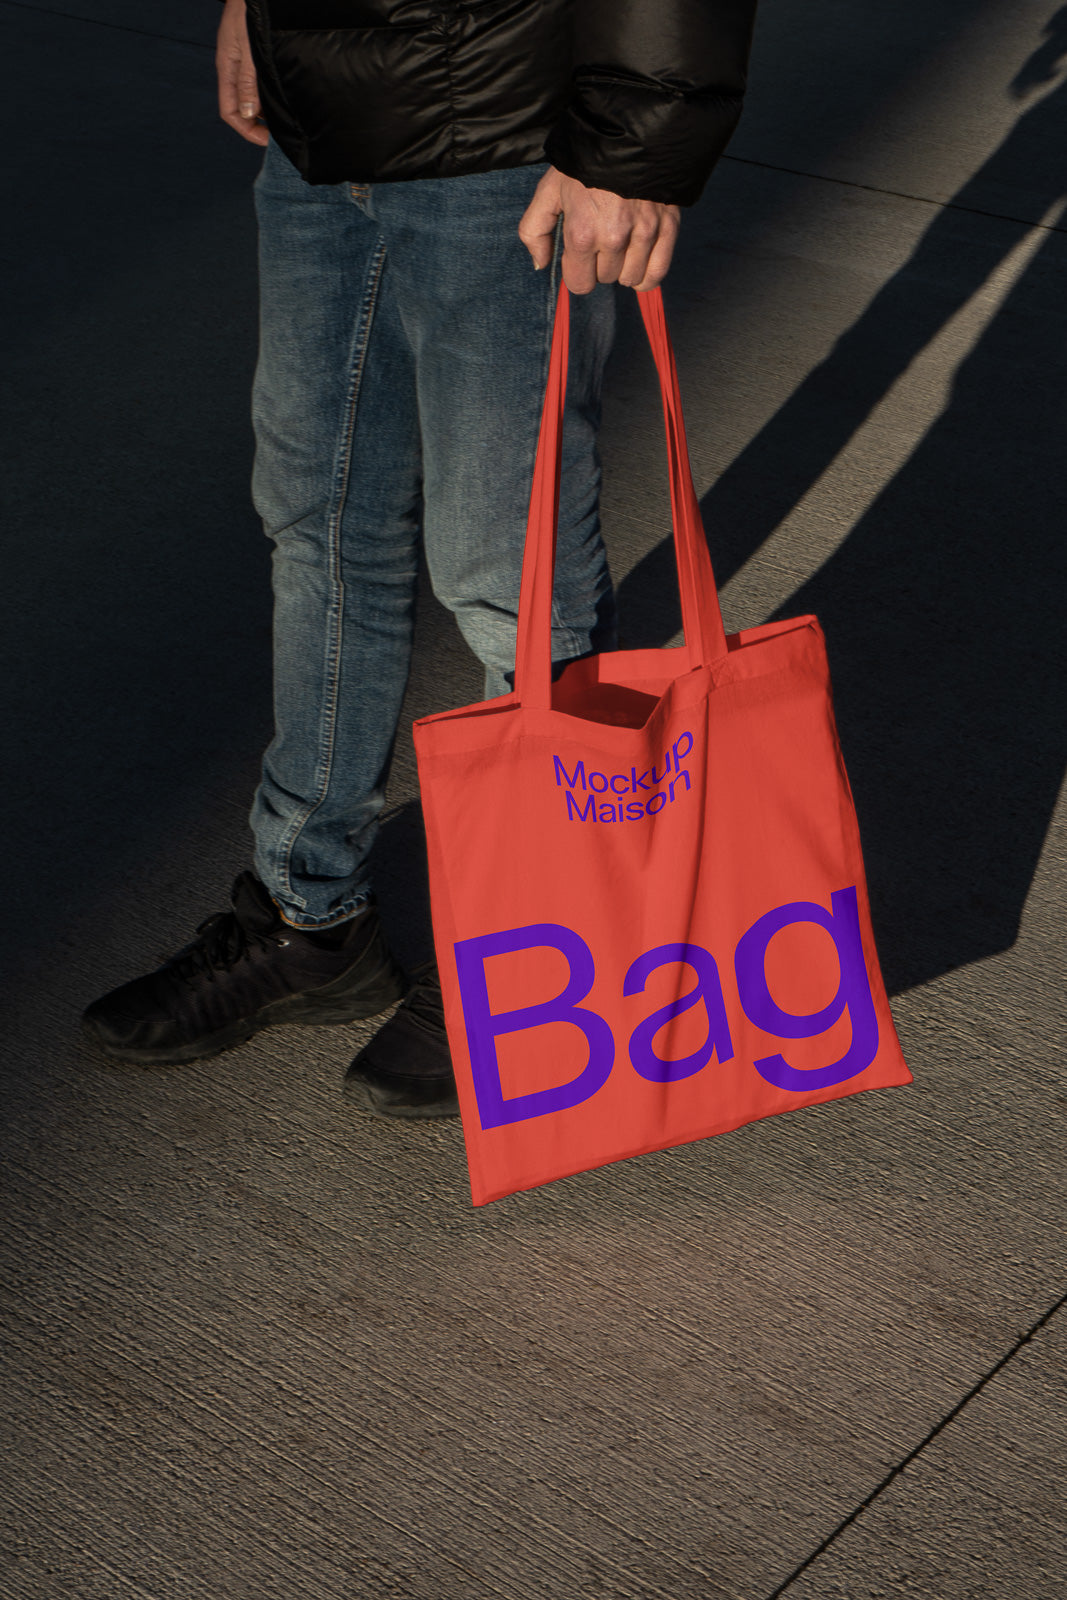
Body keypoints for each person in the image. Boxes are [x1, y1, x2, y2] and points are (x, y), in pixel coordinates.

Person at [82, 0, 757, 1116]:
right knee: (319, 529)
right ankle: (311, 921)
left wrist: (632, 147)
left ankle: (538, 960)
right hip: (324, 130)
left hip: (504, 133)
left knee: (509, 576)